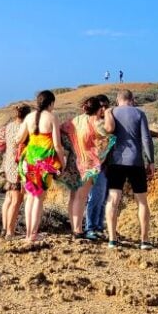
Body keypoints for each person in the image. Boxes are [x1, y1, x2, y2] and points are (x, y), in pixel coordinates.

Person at [105, 88, 156, 250]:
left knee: (113, 199)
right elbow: (146, 139)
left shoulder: (111, 112)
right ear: (132, 99)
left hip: (116, 161)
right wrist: (151, 161)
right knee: (141, 201)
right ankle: (144, 240)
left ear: (118, 100)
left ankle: (112, 239)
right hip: (136, 162)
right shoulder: (139, 114)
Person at [62, 95, 116, 240]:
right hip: (88, 164)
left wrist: (72, 146)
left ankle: (74, 227)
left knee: (74, 197)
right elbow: (110, 130)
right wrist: (109, 113)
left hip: (75, 161)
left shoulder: (76, 120)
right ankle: (79, 230)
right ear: (99, 110)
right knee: (82, 197)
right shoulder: (97, 123)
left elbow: (63, 129)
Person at [17, 90, 65, 244]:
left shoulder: (29, 117)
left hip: (28, 160)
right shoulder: (52, 117)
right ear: (51, 103)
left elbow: (19, 138)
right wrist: (62, 163)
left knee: (30, 197)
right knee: (38, 198)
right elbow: (57, 145)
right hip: (43, 163)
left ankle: (28, 234)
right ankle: (33, 235)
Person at [0, 104, 32, 239]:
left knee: (8, 198)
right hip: (18, 165)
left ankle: (4, 228)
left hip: (8, 164)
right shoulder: (25, 128)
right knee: (16, 200)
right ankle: (10, 233)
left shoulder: (9, 126)